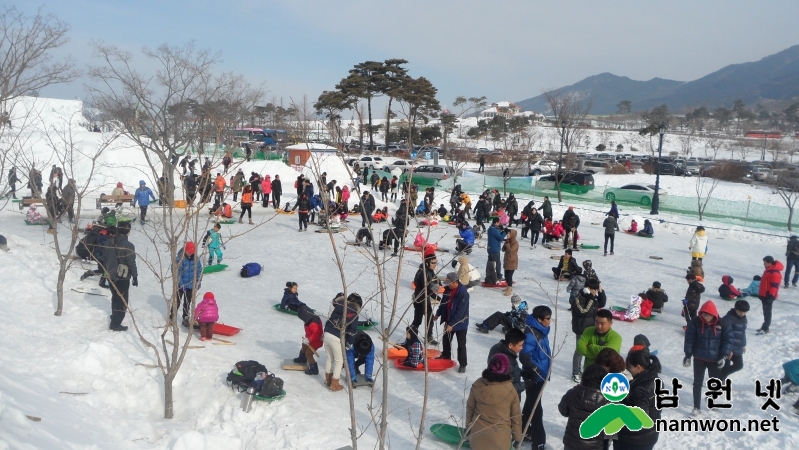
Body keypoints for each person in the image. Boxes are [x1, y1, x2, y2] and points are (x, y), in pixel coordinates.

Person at [683, 300, 733, 416]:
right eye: (703, 314)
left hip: (715, 359)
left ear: (714, 314)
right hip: (699, 358)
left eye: (708, 315)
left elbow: (728, 340)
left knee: (715, 383)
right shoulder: (695, 322)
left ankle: (711, 401)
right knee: (697, 383)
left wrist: (723, 356)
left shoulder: (723, 324)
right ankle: (696, 407)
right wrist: (688, 355)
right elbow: (689, 339)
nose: (705, 317)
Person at [465, 353, 523, 450]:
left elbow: (470, 409)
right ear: (506, 370)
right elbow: (516, 418)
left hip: (478, 439)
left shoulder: (478, 384)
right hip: (500, 442)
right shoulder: (510, 390)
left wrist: (468, 429)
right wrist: (517, 439)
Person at [519, 305, 552, 448]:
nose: (550, 321)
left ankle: (522, 431)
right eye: (547, 319)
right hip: (534, 376)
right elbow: (524, 356)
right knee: (536, 409)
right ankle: (539, 441)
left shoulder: (541, 331)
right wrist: (536, 370)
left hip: (541, 375)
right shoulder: (531, 334)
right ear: (539, 319)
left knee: (530, 404)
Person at [558, 363, 609, 450]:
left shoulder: (572, 393)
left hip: (571, 444)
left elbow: (563, 411)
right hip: (594, 446)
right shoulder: (605, 400)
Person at [617, 351, 661, 449]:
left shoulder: (640, 389)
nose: (630, 370)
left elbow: (641, 416)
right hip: (651, 434)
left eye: (630, 367)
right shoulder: (656, 380)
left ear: (638, 367)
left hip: (634, 440)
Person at [102, 221, 137, 331]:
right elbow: (131, 263)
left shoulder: (109, 242)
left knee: (115, 297)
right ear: (128, 231)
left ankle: (114, 316)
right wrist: (135, 276)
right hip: (122, 276)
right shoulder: (128, 246)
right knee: (122, 300)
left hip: (110, 274)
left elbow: (104, 257)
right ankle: (115, 324)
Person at [324, 293, 362, 392]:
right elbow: (352, 330)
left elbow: (330, 319)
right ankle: (334, 384)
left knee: (329, 358)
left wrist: (325, 331)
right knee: (339, 361)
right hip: (337, 337)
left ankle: (327, 380)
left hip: (327, 333)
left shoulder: (339, 306)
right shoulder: (353, 313)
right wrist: (349, 343)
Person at [571, 279, 607, 382]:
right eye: (594, 290)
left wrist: (601, 292)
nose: (595, 292)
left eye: (597, 290)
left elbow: (602, 303)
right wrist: (590, 297)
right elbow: (584, 311)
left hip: (592, 327)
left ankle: (582, 370)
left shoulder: (594, 297)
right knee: (579, 350)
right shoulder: (578, 298)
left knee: (588, 350)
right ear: (588, 288)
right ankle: (575, 372)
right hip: (581, 328)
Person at [435, 272, 470, 373]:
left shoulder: (463, 293)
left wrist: (452, 324)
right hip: (448, 319)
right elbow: (443, 304)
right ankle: (446, 355)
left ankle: (463, 364)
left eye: (449, 282)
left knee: (461, 344)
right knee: (446, 340)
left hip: (460, 323)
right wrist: (438, 313)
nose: (447, 284)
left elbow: (461, 311)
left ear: (455, 282)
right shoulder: (447, 290)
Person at [487, 328, 526, 396]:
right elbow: (508, 389)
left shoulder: (497, 347)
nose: (522, 348)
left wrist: (522, 373)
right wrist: (526, 384)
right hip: (506, 399)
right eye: (520, 345)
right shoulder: (506, 362)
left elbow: (513, 371)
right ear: (510, 345)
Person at [412, 256, 440, 345]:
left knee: (429, 318)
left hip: (426, 298)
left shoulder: (430, 271)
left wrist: (442, 285)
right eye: (433, 263)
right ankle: (411, 336)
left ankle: (428, 336)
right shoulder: (423, 273)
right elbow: (426, 289)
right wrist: (437, 297)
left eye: (436, 262)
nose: (435, 265)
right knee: (418, 320)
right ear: (427, 263)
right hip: (420, 299)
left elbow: (435, 280)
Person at [174, 242, 203, 327]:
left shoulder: (196, 259)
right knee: (177, 301)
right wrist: (181, 284)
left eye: (192, 251)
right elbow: (176, 273)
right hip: (180, 285)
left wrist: (198, 282)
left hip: (191, 285)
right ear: (185, 250)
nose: (191, 252)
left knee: (187, 302)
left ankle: (185, 318)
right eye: (189, 251)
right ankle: (172, 317)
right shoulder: (179, 259)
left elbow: (199, 271)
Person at [720, 300, 748, 380]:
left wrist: (743, 345)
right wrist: (729, 349)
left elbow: (742, 333)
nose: (742, 314)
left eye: (744, 312)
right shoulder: (728, 319)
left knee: (739, 365)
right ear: (735, 309)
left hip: (738, 347)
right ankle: (720, 379)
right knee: (726, 365)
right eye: (740, 311)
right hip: (728, 347)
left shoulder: (744, 319)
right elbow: (726, 335)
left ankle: (721, 375)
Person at [757, 255, 783, 335]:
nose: (763, 264)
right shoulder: (768, 270)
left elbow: (774, 286)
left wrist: (770, 296)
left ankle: (766, 328)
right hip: (765, 295)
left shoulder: (774, 273)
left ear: (769, 263)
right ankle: (764, 326)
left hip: (768, 296)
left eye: (764, 263)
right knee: (765, 312)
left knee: (767, 313)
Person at [295, 305, 324, 375]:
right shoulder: (310, 319)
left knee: (309, 354)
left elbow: (316, 334)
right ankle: (302, 358)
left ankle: (314, 368)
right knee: (304, 345)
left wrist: (309, 340)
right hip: (310, 338)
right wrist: (307, 339)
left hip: (315, 342)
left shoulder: (313, 323)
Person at [487, 217, 508, 283]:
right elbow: (500, 238)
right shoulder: (494, 230)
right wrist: (505, 232)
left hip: (490, 248)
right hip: (494, 249)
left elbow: (498, 236)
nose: (500, 224)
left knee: (490, 263)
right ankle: (499, 276)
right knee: (497, 263)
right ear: (496, 222)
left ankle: (489, 275)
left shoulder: (491, 228)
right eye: (499, 222)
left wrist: (502, 231)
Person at [502, 229, 519, 296]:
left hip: (512, 261)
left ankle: (509, 288)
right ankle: (508, 287)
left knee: (509, 276)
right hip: (507, 260)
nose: (508, 235)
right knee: (506, 276)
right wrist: (505, 244)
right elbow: (503, 249)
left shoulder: (515, 243)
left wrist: (508, 243)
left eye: (509, 233)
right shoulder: (507, 241)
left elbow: (510, 251)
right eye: (507, 233)